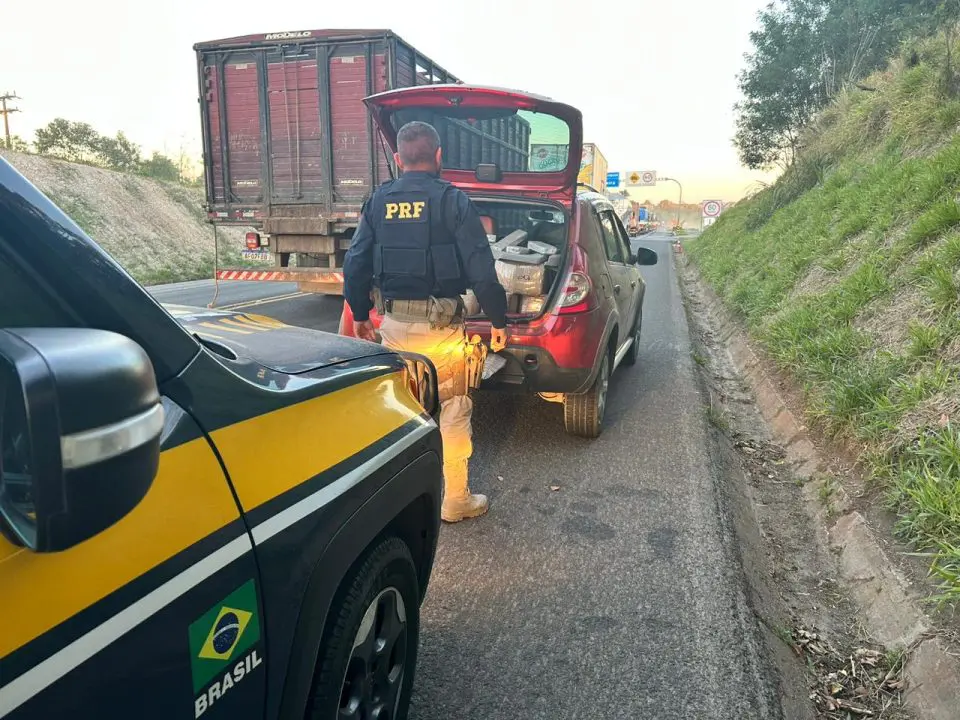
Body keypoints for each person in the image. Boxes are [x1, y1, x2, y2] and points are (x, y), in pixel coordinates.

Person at [343, 120, 508, 523]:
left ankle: (394, 504)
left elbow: (355, 263)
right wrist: (499, 320)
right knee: (453, 406)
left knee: (398, 408)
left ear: (398, 159)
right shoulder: (453, 200)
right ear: (438, 157)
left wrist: (362, 317)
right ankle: (455, 500)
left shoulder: (378, 201)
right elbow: (482, 269)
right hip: (443, 330)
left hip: (394, 327)